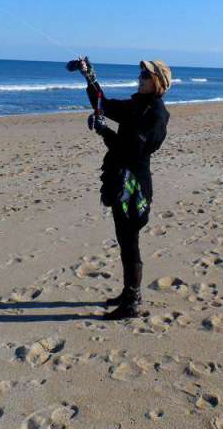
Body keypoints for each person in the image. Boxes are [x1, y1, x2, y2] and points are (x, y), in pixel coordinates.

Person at [75, 58, 171, 320]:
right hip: (120, 179)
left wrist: (104, 131)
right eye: (140, 74)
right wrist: (89, 77)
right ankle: (129, 293)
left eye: (145, 75)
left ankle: (132, 301)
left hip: (135, 187)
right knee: (124, 241)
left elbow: (132, 151)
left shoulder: (157, 116)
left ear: (158, 83)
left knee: (130, 243)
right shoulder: (135, 105)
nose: (140, 78)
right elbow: (102, 105)